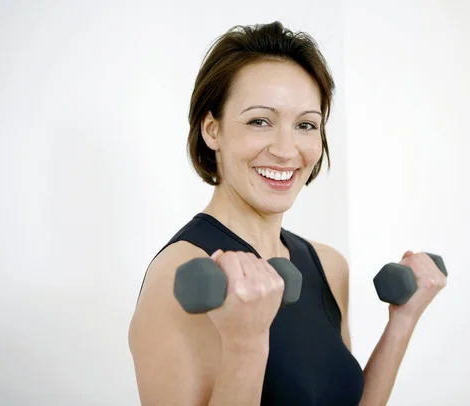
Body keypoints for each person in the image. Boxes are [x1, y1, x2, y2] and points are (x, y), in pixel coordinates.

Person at [128, 21, 447, 406]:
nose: (286, 148)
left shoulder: (328, 266)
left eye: (306, 125)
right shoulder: (181, 276)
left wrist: (403, 321)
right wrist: (246, 343)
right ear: (212, 130)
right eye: (260, 121)